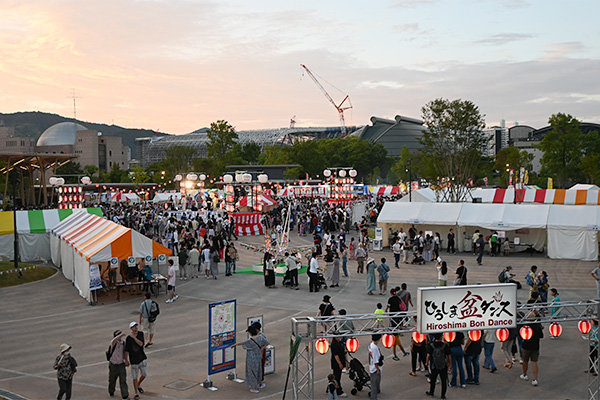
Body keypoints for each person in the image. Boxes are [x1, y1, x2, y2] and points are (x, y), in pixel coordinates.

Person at [232, 324, 265, 393]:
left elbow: (242, 343)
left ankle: (254, 388)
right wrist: (260, 351)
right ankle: (260, 383)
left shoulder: (250, 340)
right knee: (258, 370)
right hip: (258, 356)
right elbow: (265, 343)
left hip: (251, 358)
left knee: (252, 372)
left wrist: (235, 345)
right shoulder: (261, 338)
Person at [520, 309, 543, 386]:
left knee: (525, 362)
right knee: (534, 363)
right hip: (535, 347)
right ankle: (535, 379)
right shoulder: (537, 326)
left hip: (526, 346)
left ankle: (525, 375)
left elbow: (521, 336)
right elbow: (541, 336)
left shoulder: (525, 327)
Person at [125, 322, 147, 400]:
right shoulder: (128, 338)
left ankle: (138, 384)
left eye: (136, 326)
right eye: (134, 327)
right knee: (134, 377)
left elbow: (141, 344)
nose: (136, 328)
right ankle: (136, 393)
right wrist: (126, 360)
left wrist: (134, 338)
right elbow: (126, 350)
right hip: (133, 360)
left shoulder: (140, 334)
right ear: (131, 328)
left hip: (141, 358)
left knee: (144, 374)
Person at [425, 333, 450, 399]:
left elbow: (428, 355)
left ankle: (431, 391)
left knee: (433, 379)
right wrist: (449, 364)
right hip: (443, 365)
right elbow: (448, 356)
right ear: (441, 337)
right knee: (443, 380)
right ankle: (443, 395)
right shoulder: (445, 345)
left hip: (434, 365)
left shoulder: (431, 345)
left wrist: (427, 362)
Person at [385, 289, 408, 359]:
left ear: (391, 293)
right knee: (396, 340)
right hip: (398, 315)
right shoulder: (398, 298)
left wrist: (385, 310)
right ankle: (401, 353)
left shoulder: (390, 299)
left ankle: (396, 354)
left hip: (392, 315)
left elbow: (388, 306)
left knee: (395, 341)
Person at [108, 330, 130, 399]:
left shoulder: (123, 343)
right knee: (112, 379)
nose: (119, 336)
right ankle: (111, 390)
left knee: (123, 380)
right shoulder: (113, 343)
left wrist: (126, 360)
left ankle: (125, 395)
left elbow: (125, 352)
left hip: (121, 364)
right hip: (113, 364)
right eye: (118, 335)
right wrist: (121, 335)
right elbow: (113, 340)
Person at [368, 334, 383, 400]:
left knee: (376, 381)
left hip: (372, 367)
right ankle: (373, 397)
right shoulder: (375, 348)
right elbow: (375, 360)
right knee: (374, 383)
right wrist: (377, 369)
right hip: (375, 368)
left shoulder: (371, 345)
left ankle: (377, 390)